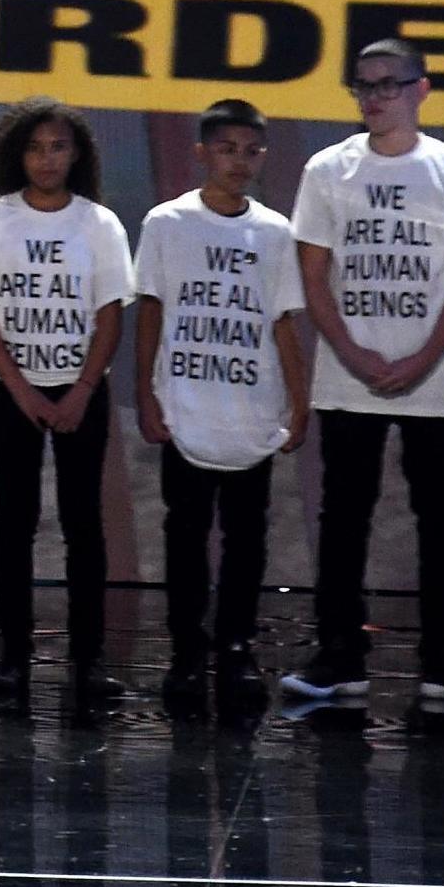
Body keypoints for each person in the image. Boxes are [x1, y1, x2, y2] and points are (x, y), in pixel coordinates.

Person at [281, 39, 444, 707]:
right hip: (348, 375)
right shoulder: (327, 169)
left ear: (420, 89)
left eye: (386, 83)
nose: (373, 96)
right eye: (362, 85)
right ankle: (338, 657)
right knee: (343, 515)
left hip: (434, 378)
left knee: (441, 518)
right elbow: (312, 272)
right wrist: (352, 354)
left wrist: (419, 357)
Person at [0, 96, 132, 705]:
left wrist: (80, 388)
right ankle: (14, 659)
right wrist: (20, 387)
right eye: (34, 147)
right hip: (11, 393)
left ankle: (88, 660)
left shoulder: (99, 223)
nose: (46, 159)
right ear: (14, 153)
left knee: (84, 526)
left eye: (58, 147)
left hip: (82, 392)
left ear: (76, 154)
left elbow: (110, 316)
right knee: (14, 525)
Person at [133, 99, 309, 708]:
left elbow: (283, 321)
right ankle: (186, 651)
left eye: (251, 150)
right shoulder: (166, 223)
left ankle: (235, 647)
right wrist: (145, 396)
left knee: (246, 537)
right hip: (186, 403)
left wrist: (300, 400)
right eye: (227, 149)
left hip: (250, 407)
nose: (240, 161)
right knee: (183, 533)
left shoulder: (275, 231)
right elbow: (151, 308)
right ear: (202, 151)